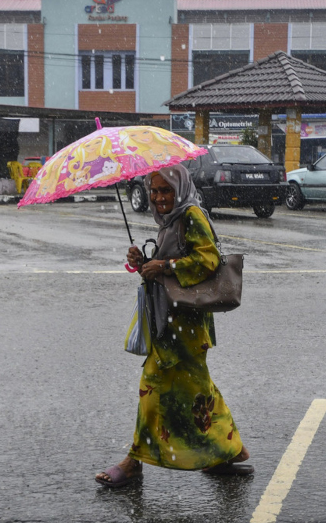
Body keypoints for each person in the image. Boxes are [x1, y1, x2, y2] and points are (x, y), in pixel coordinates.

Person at [96, 164, 252, 487]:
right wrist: (142, 262)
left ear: (179, 189)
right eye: (154, 191)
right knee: (197, 390)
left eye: (165, 190)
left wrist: (164, 266)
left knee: (153, 385)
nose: (159, 197)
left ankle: (133, 464)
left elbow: (208, 260)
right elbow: (165, 267)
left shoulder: (191, 215)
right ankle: (227, 450)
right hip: (170, 322)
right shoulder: (169, 222)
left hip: (186, 326)